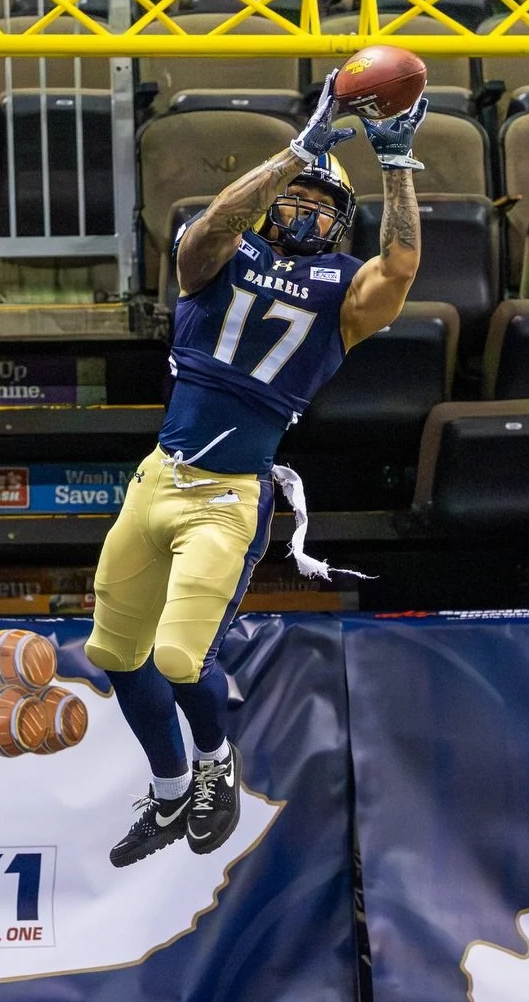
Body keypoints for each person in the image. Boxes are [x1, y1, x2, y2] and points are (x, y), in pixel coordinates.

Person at [85, 70, 427, 867]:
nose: (306, 209)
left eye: (321, 204)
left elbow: (401, 268)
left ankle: (215, 766)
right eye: (296, 197)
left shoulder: (344, 290)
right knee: (113, 653)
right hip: (156, 480)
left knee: (177, 659)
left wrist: (398, 165)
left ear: (341, 224)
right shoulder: (217, 255)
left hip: (227, 498)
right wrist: (294, 154)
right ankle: (170, 795)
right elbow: (209, 223)